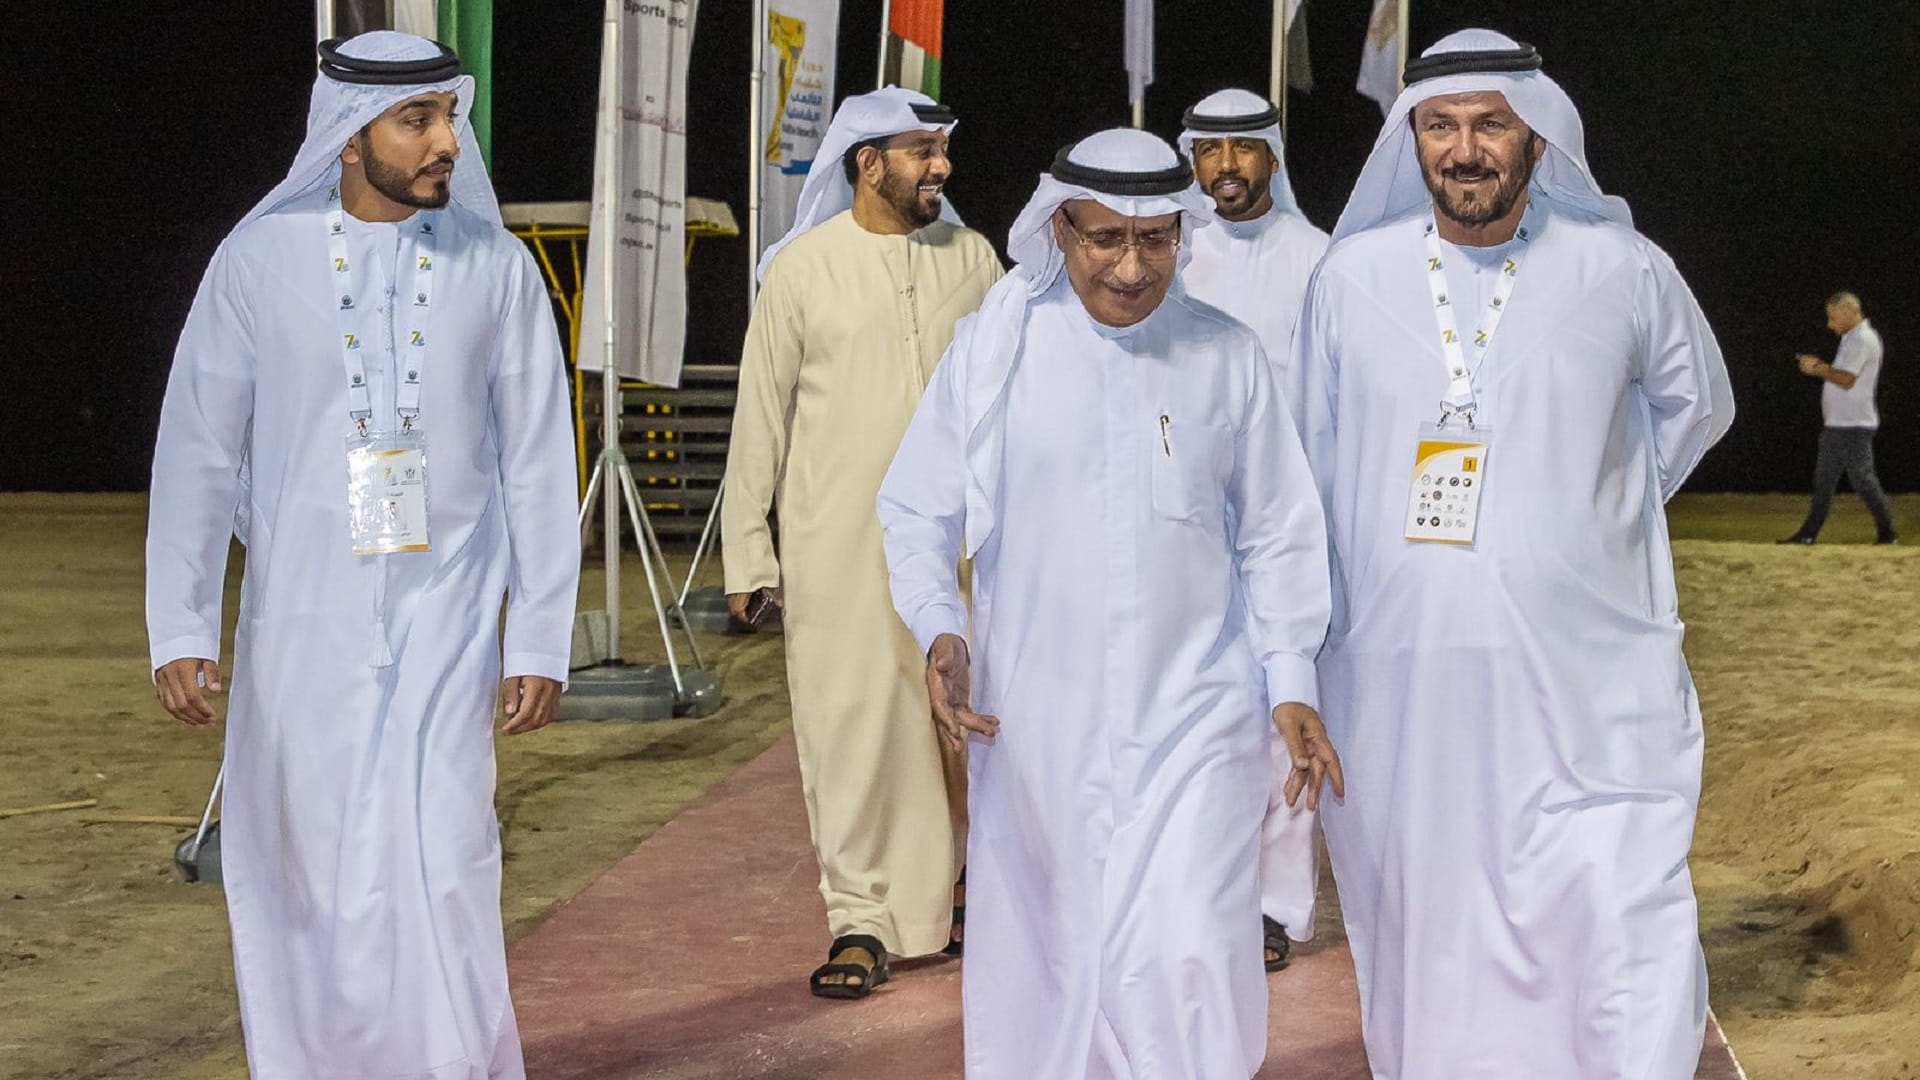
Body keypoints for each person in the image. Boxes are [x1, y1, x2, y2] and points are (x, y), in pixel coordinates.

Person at [1288, 30, 1734, 1078]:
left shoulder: (1624, 268)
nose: (1466, 149)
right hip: (1403, 685)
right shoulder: (1351, 279)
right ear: (1413, 141)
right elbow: (1310, 462)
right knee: (1429, 924)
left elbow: (1696, 406)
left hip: (1589, 674)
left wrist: (1585, 517)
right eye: (1440, 126)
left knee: (1621, 909)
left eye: (1491, 124)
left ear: (1538, 137)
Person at [146, 32, 578, 1079]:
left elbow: (537, 460)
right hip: (302, 615)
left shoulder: (496, 266)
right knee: (305, 865)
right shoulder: (258, 262)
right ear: (348, 137)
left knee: (445, 861)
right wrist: (182, 622)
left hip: (451, 609)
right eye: (416, 121)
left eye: (448, 118)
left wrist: (542, 636)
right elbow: (199, 448)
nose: (443, 143)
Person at [878, 128, 1340, 1079]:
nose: (1133, 267)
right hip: (1040, 726)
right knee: (1055, 964)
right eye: (1104, 240)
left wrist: (1290, 679)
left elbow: (1280, 532)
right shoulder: (997, 349)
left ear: (1184, 234)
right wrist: (941, 629)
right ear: (1060, 228)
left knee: (1187, 952)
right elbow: (917, 507)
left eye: (1158, 241)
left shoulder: (1225, 356)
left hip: (1198, 719)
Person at [720, 86, 1003, 998]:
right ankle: (861, 917)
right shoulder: (801, 269)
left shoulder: (975, 258)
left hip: (959, 540)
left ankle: (960, 889)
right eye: (921, 151)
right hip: (836, 544)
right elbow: (758, 418)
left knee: (958, 725)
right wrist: (748, 555)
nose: (941, 167)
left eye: (943, 150)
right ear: (866, 162)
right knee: (853, 727)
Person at [1178, 86, 1332, 973]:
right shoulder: (1170, 256)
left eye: (1244, 149)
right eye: (1210, 150)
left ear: (1272, 156)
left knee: (1288, 715)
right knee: (1199, 721)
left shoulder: (1321, 261)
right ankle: (1204, 893)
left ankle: (1273, 907)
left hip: (1288, 527)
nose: (1226, 167)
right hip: (1190, 528)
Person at [1781, 292, 1897, 544]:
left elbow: (1846, 379)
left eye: (1833, 317)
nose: (1830, 324)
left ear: (1848, 310)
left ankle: (1888, 534)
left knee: (1863, 480)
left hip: (1854, 425)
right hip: (1840, 424)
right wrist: (1822, 369)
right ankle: (1808, 534)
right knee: (1824, 481)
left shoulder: (1862, 339)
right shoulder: (1851, 339)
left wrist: (1817, 368)